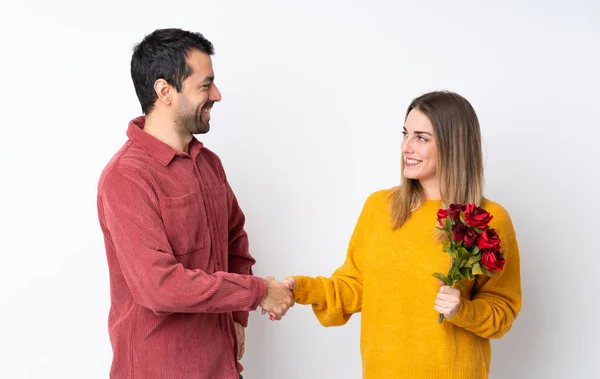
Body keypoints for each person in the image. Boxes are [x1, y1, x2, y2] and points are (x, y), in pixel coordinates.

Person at [96, 28, 294, 379]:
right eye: (205, 85)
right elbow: (159, 287)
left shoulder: (209, 164)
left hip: (221, 365)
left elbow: (235, 243)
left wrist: (236, 317)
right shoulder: (126, 178)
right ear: (164, 91)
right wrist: (258, 292)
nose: (216, 95)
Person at [283, 91, 522, 378]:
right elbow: (355, 287)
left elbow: (502, 310)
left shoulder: (488, 219)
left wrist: (462, 310)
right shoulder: (379, 208)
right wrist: (299, 288)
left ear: (453, 145)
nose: (405, 146)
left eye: (421, 137)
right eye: (405, 133)